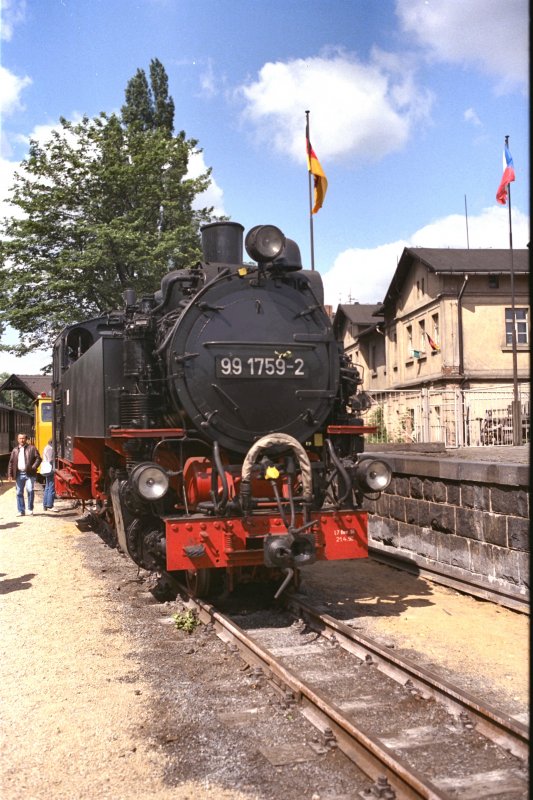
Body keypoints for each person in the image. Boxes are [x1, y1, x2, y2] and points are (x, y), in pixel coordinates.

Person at [7, 433, 42, 517]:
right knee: (19, 492)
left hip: (29, 473)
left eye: (23, 438)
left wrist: (33, 467)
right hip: (19, 473)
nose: (22, 440)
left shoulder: (32, 448)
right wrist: (10, 474)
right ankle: (21, 510)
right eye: (20, 438)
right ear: (17, 439)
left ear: (26, 439)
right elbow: (11, 463)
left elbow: (38, 458)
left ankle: (30, 509)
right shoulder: (15, 450)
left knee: (30, 490)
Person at [41, 438, 57, 512]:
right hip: (50, 469)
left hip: (47, 469)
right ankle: (50, 505)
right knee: (51, 487)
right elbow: (50, 460)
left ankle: (45, 504)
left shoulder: (46, 447)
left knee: (47, 487)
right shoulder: (50, 449)